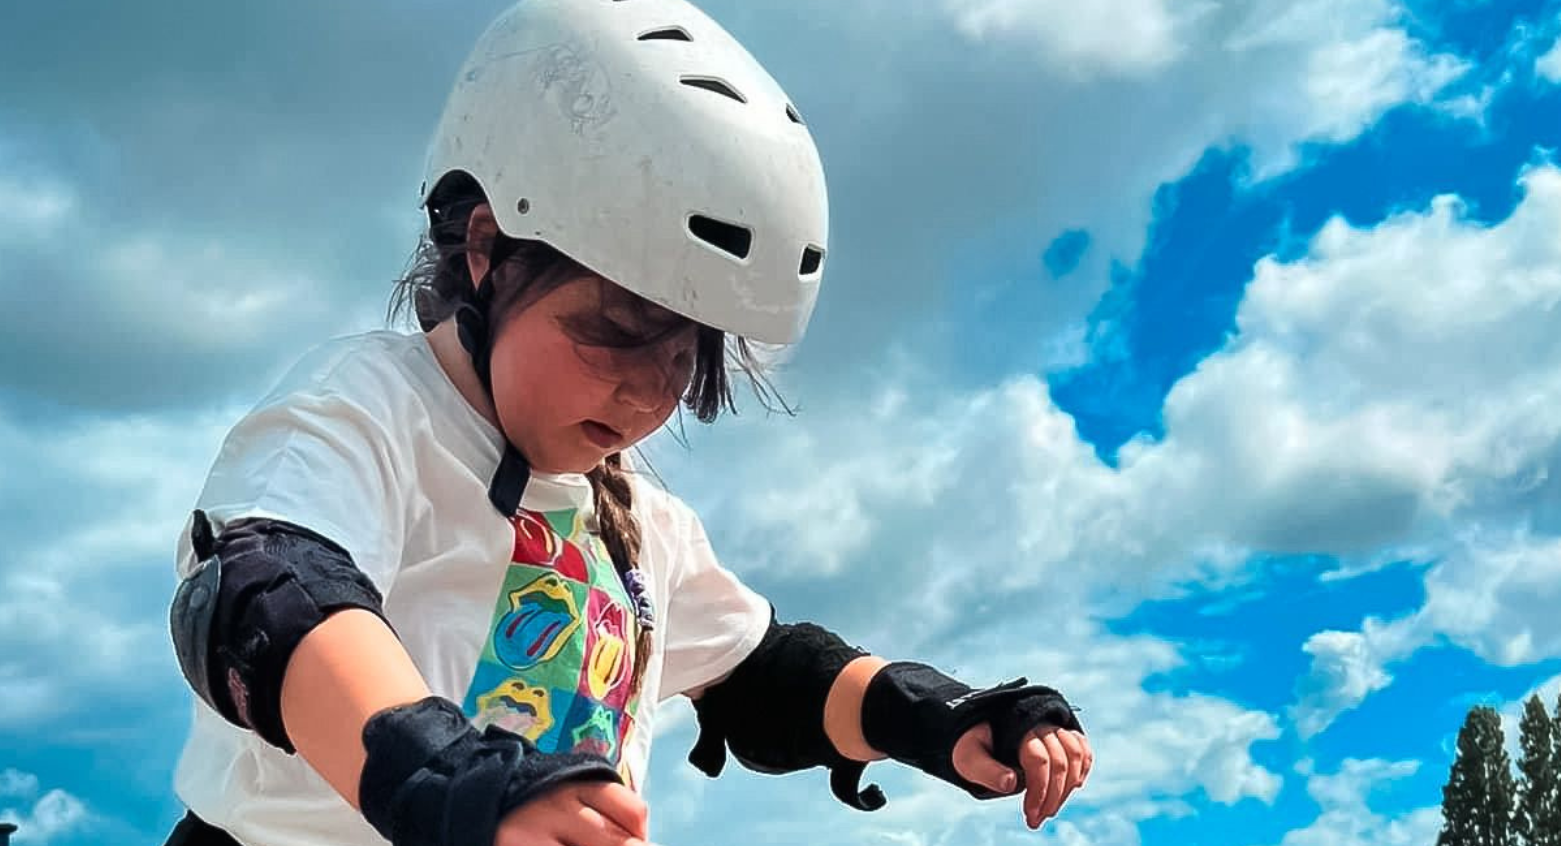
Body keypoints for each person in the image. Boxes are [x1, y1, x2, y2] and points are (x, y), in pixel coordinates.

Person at [161, 1, 1093, 844]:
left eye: (685, 356)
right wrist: (454, 786)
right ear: (487, 249)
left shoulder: (641, 521)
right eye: (615, 331)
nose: (649, 394)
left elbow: (767, 676)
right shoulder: (373, 408)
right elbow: (269, 599)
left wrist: (936, 715)